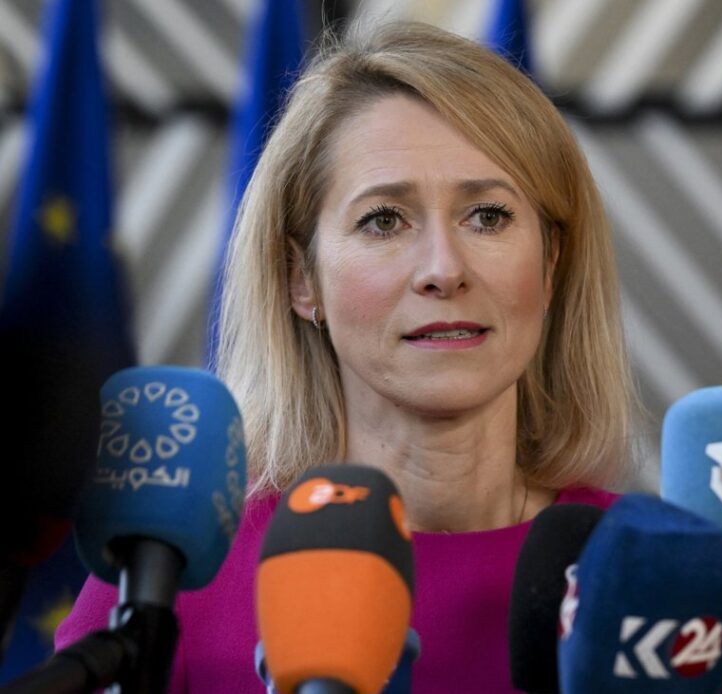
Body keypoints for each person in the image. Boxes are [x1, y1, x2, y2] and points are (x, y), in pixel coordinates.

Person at [56, 19, 638, 693]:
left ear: (551, 261)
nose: (444, 270)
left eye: (487, 216)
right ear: (301, 279)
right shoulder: (172, 580)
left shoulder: (646, 574)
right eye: (384, 220)